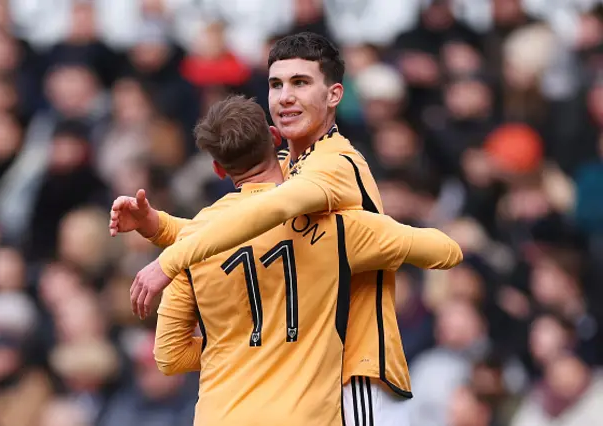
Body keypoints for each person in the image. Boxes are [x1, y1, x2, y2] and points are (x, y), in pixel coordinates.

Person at [111, 32, 432, 423]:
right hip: (317, 380)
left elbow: (268, 209)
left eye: (300, 82)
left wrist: (170, 257)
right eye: (276, 84)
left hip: (353, 372)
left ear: (334, 95)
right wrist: (159, 226)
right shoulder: (283, 176)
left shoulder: (333, 161)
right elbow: (250, 217)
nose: (284, 96)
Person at [151, 94, 462, 426]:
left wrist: (235, 344)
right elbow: (446, 251)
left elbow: (170, 356)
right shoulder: (336, 226)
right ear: (274, 137)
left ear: (218, 168)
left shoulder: (192, 241)